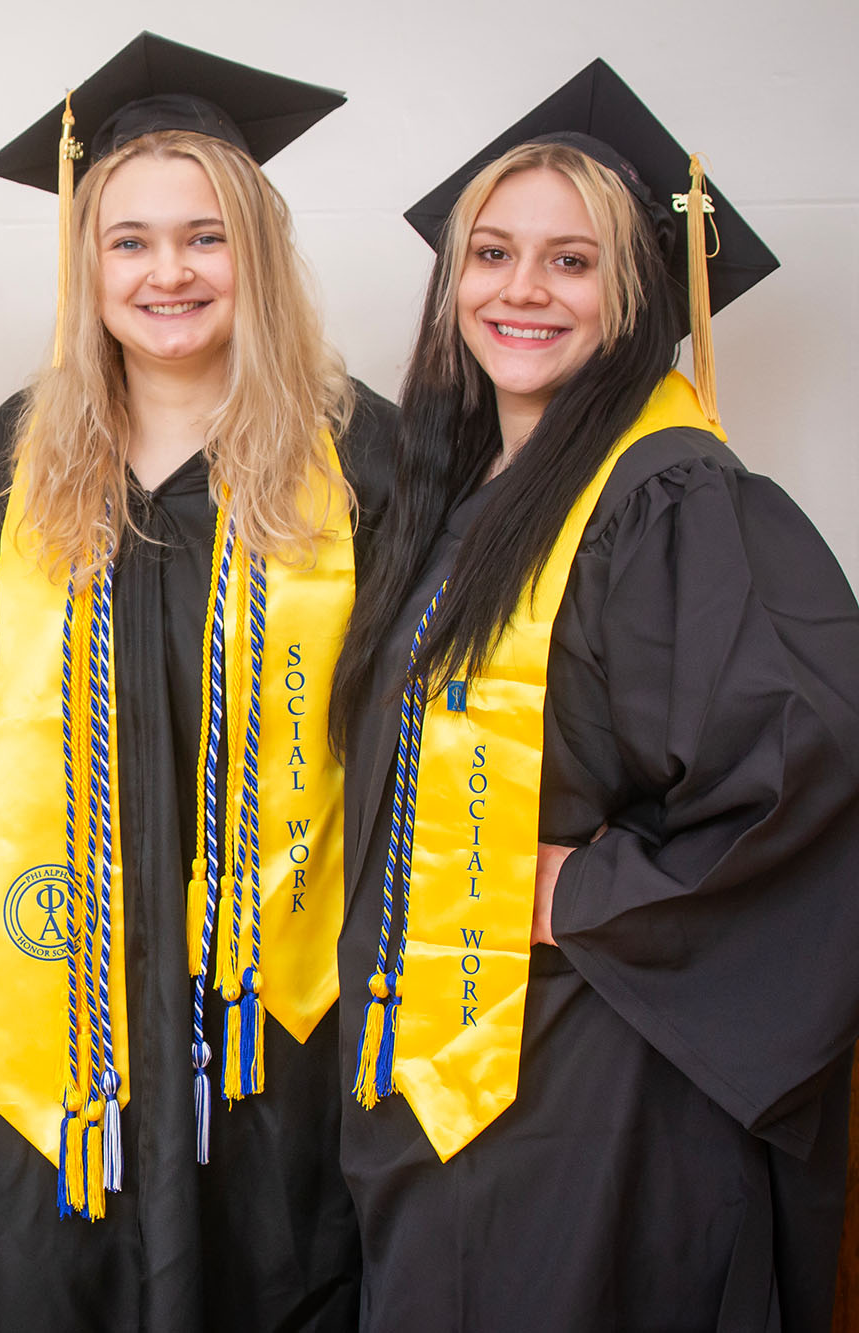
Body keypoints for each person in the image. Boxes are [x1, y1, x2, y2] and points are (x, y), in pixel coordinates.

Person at [329, 58, 859, 1330]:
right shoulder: (464, 503)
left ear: (635, 296)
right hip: (447, 1066)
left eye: (569, 262)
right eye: (492, 253)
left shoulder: (673, 498)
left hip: (601, 1083)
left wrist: (586, 893)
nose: (520, 289)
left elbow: (811, 767)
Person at [0, 34, 394, 1331]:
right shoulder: (13, 469)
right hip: (66, 1023)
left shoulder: (368, 462)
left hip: (277, 1025)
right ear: (86, 266)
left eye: (203, 238)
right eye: (129, 242)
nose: (167, 273)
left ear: (255, 254)